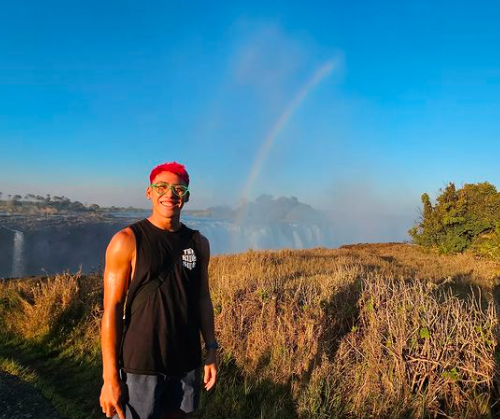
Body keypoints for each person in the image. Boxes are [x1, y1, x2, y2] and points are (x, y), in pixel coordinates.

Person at [99, 162, 218, 419]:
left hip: (186, 360)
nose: (170, 194)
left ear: (186, 196)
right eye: (161, 187)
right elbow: (112, 308)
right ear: (149, 192)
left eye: (179, 189)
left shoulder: (198, 243)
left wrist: (211, 349)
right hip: (141, 361)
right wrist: (110, 378)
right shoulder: (127, 241)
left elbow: (202, 297)